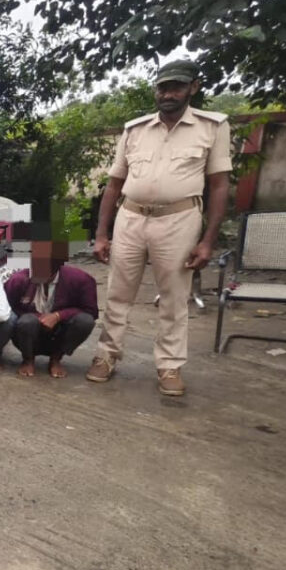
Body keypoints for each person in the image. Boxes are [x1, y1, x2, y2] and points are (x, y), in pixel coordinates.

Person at [87, 59, 232, 396]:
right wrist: (102, 234)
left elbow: (220, 186)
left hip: (178, 219)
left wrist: (208, 241)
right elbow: (113, 184)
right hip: (131, 217)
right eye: (163, 88)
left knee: (174, 296)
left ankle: (169, 366)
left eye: (176, 87)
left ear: (193, 87)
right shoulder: (135, 130)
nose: (168, 94)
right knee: (118, 292)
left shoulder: (212, 127)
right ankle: (107, 355)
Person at [3, 240, 98, 378]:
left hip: (60, 333)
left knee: (85, 321)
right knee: (27, 321)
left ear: (56, 269)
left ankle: (56, 358)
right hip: (28, 332)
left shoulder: (81, 280)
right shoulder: (18, 280)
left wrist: (59, 316)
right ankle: (28, 359)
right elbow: (7, 309)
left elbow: (91, 312)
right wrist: (37, 317)